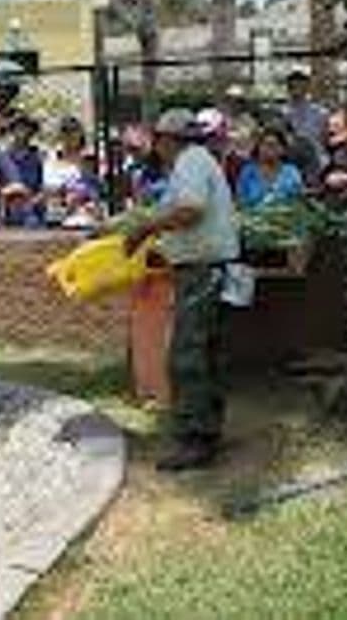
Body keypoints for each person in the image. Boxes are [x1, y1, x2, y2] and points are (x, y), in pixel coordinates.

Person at [124, 108, 240, 472]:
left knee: (187, 356)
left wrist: (146, 230)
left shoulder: (189, 161)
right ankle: (208, 432)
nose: (155, 146)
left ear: (167, 139)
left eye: (157, 139)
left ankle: (195, 441)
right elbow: (179, 215)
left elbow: (190, 210)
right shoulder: (197, 161)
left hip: (202, 272)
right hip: (208, 269)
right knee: (206, 353)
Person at [236, 128, 304, 210]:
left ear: (282, 149)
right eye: (263, 145)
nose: (266, 149)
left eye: (271, 145)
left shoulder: (291, 172)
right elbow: (240, 201)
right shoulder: (248, 172)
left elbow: (298, 200)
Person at [0, 114, 45, 227]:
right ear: (12, 131)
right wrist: (5, 192)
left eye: (25, 127)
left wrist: (32, 200)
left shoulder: (37, 157)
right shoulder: (2, 157)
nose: (22, 131)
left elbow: (41, 187)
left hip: (32, 214)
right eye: (18, 127)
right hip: (8, 212)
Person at [282, 70, 329, 179]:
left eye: (301, 87)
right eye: (293, 87)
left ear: (307, 88)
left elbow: (324, 140)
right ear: (288, 89)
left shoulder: (321, 113)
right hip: (291, 159)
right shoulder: (283, 113)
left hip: (317, 160)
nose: (297, 91)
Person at [43, 115, 88, 226]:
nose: (70, 136)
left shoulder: (90, 159)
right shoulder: (51, 159)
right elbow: (49, 187)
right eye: (65, 131)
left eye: (74, 131)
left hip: (86, 216)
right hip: (57, 215)